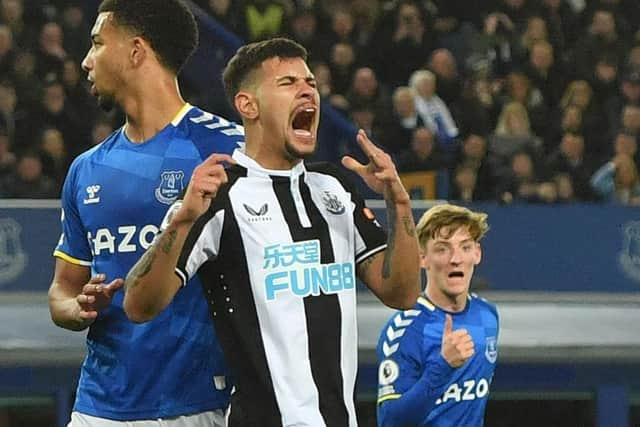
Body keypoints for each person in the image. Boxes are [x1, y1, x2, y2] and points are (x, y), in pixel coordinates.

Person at [123, 37, 420, 427]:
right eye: (288, 82)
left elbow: (402, 293)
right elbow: (138, 304)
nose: (307, 90)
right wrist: (180, 222)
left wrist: (399, 206)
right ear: (248, 105)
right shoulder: (218, 193)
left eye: (310, 82)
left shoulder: (334, 188)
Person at [47, 1, 244, 426]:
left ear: (136, 50)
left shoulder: (232, 151)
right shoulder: (86, 169)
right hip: (96, 407)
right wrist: (77, 307)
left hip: (196, 406)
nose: (85, 61)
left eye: (97, 43)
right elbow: (61, 293)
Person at [376, 204, 499, 427]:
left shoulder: (488, 316)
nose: (455, 259)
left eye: (465, 247)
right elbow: (390, 421)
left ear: (477, 254)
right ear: (422, 258)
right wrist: (442, 365)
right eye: (442, 249)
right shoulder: (404, 330)